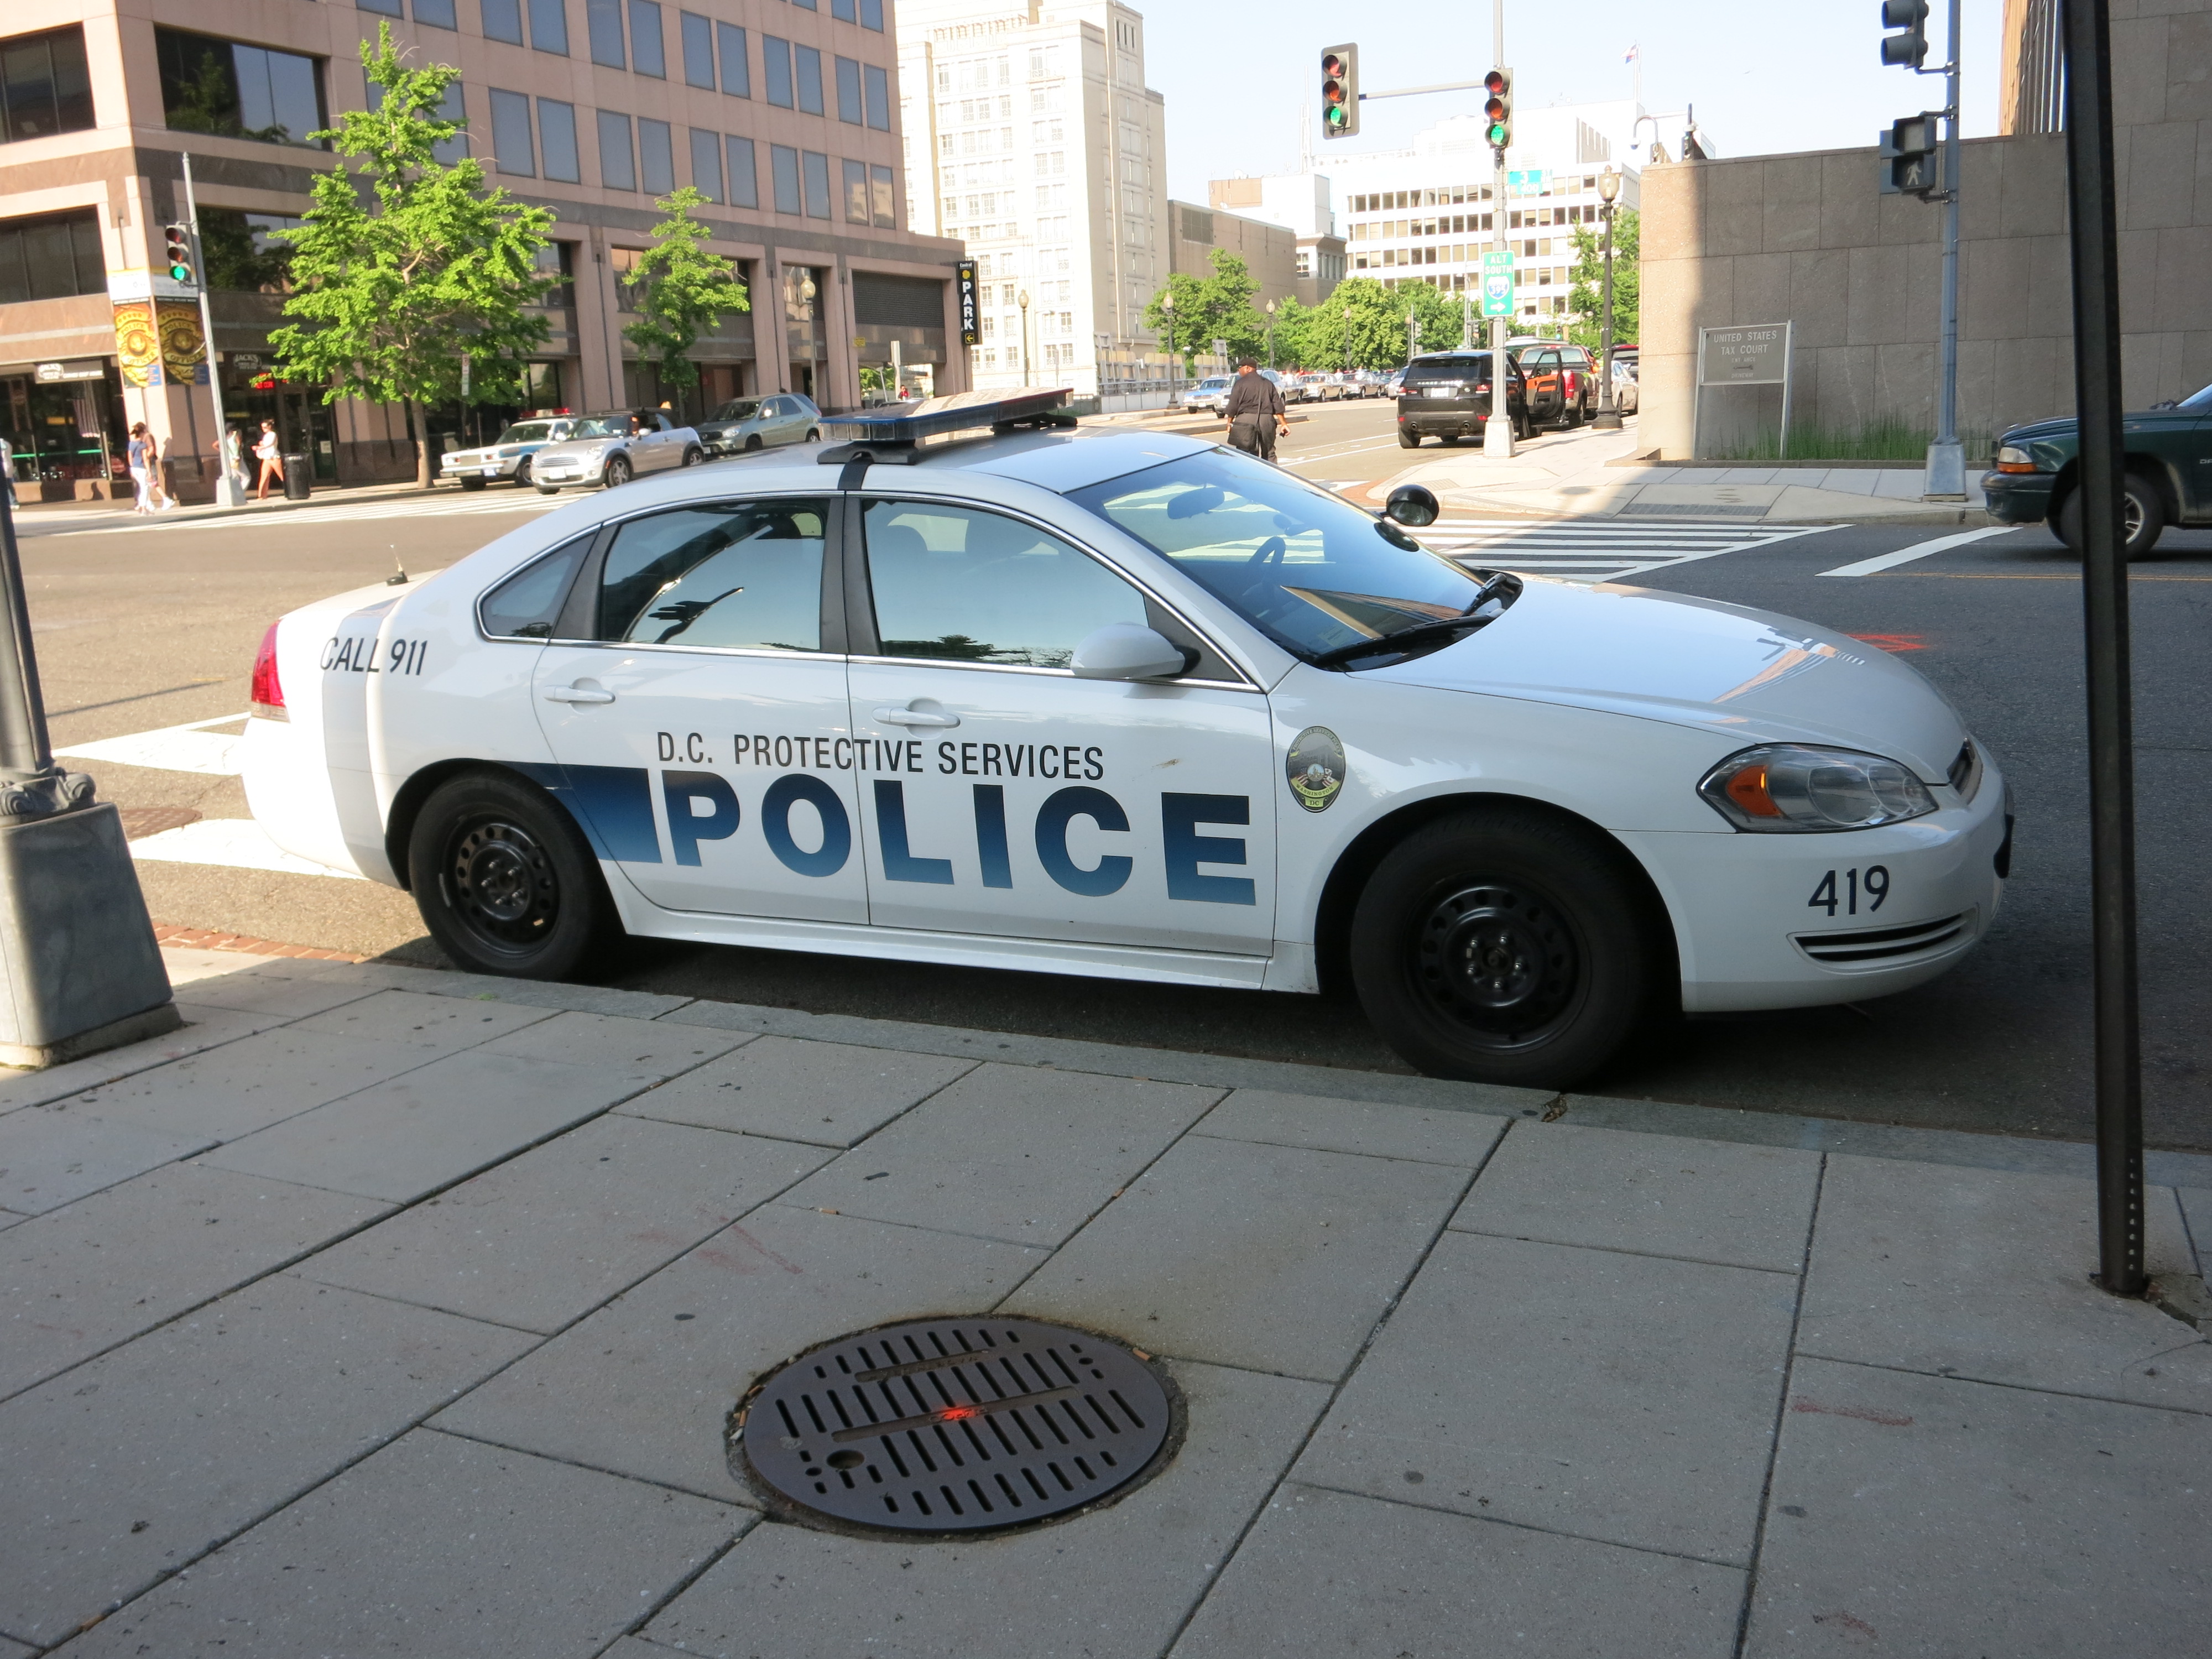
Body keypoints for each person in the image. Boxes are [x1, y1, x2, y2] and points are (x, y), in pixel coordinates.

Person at [1222, 359, 1287, 462]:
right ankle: (1271, 471)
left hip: (1245, 420)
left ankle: (1251, 471)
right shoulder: (1268, 383)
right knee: (1269, 453)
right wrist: (1284, 424)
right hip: (1266, 420)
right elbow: (1278, 405)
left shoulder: (1240, 384)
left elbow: (1233, 405)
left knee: (1247, 453)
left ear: (1247, 368)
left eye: (1240, 368)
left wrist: (1229, 423)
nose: (1239, 371)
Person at [127, 422, 156, 513]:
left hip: (134, 468)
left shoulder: (131, 443)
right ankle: (143, 507)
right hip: (141, 468)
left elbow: (130, 456)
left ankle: (143, 506)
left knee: (143, 486)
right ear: (143, 432)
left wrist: (131, 467)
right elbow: (145, 459)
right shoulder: (142, 445)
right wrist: (149, 472)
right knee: (145, 487)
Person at [253, 419, 284, 499]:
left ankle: (291, 489)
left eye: (265, 427)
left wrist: (259, 447)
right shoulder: (266, 435)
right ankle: (262, 495)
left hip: (274, 457)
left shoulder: (273, 434)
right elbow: (265, 445)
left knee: (282, 475)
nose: (264, 429)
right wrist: (260, 445)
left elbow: (270, 444)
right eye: (262, 428)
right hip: (267, 458)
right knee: (264, 476)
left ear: (270, 427)